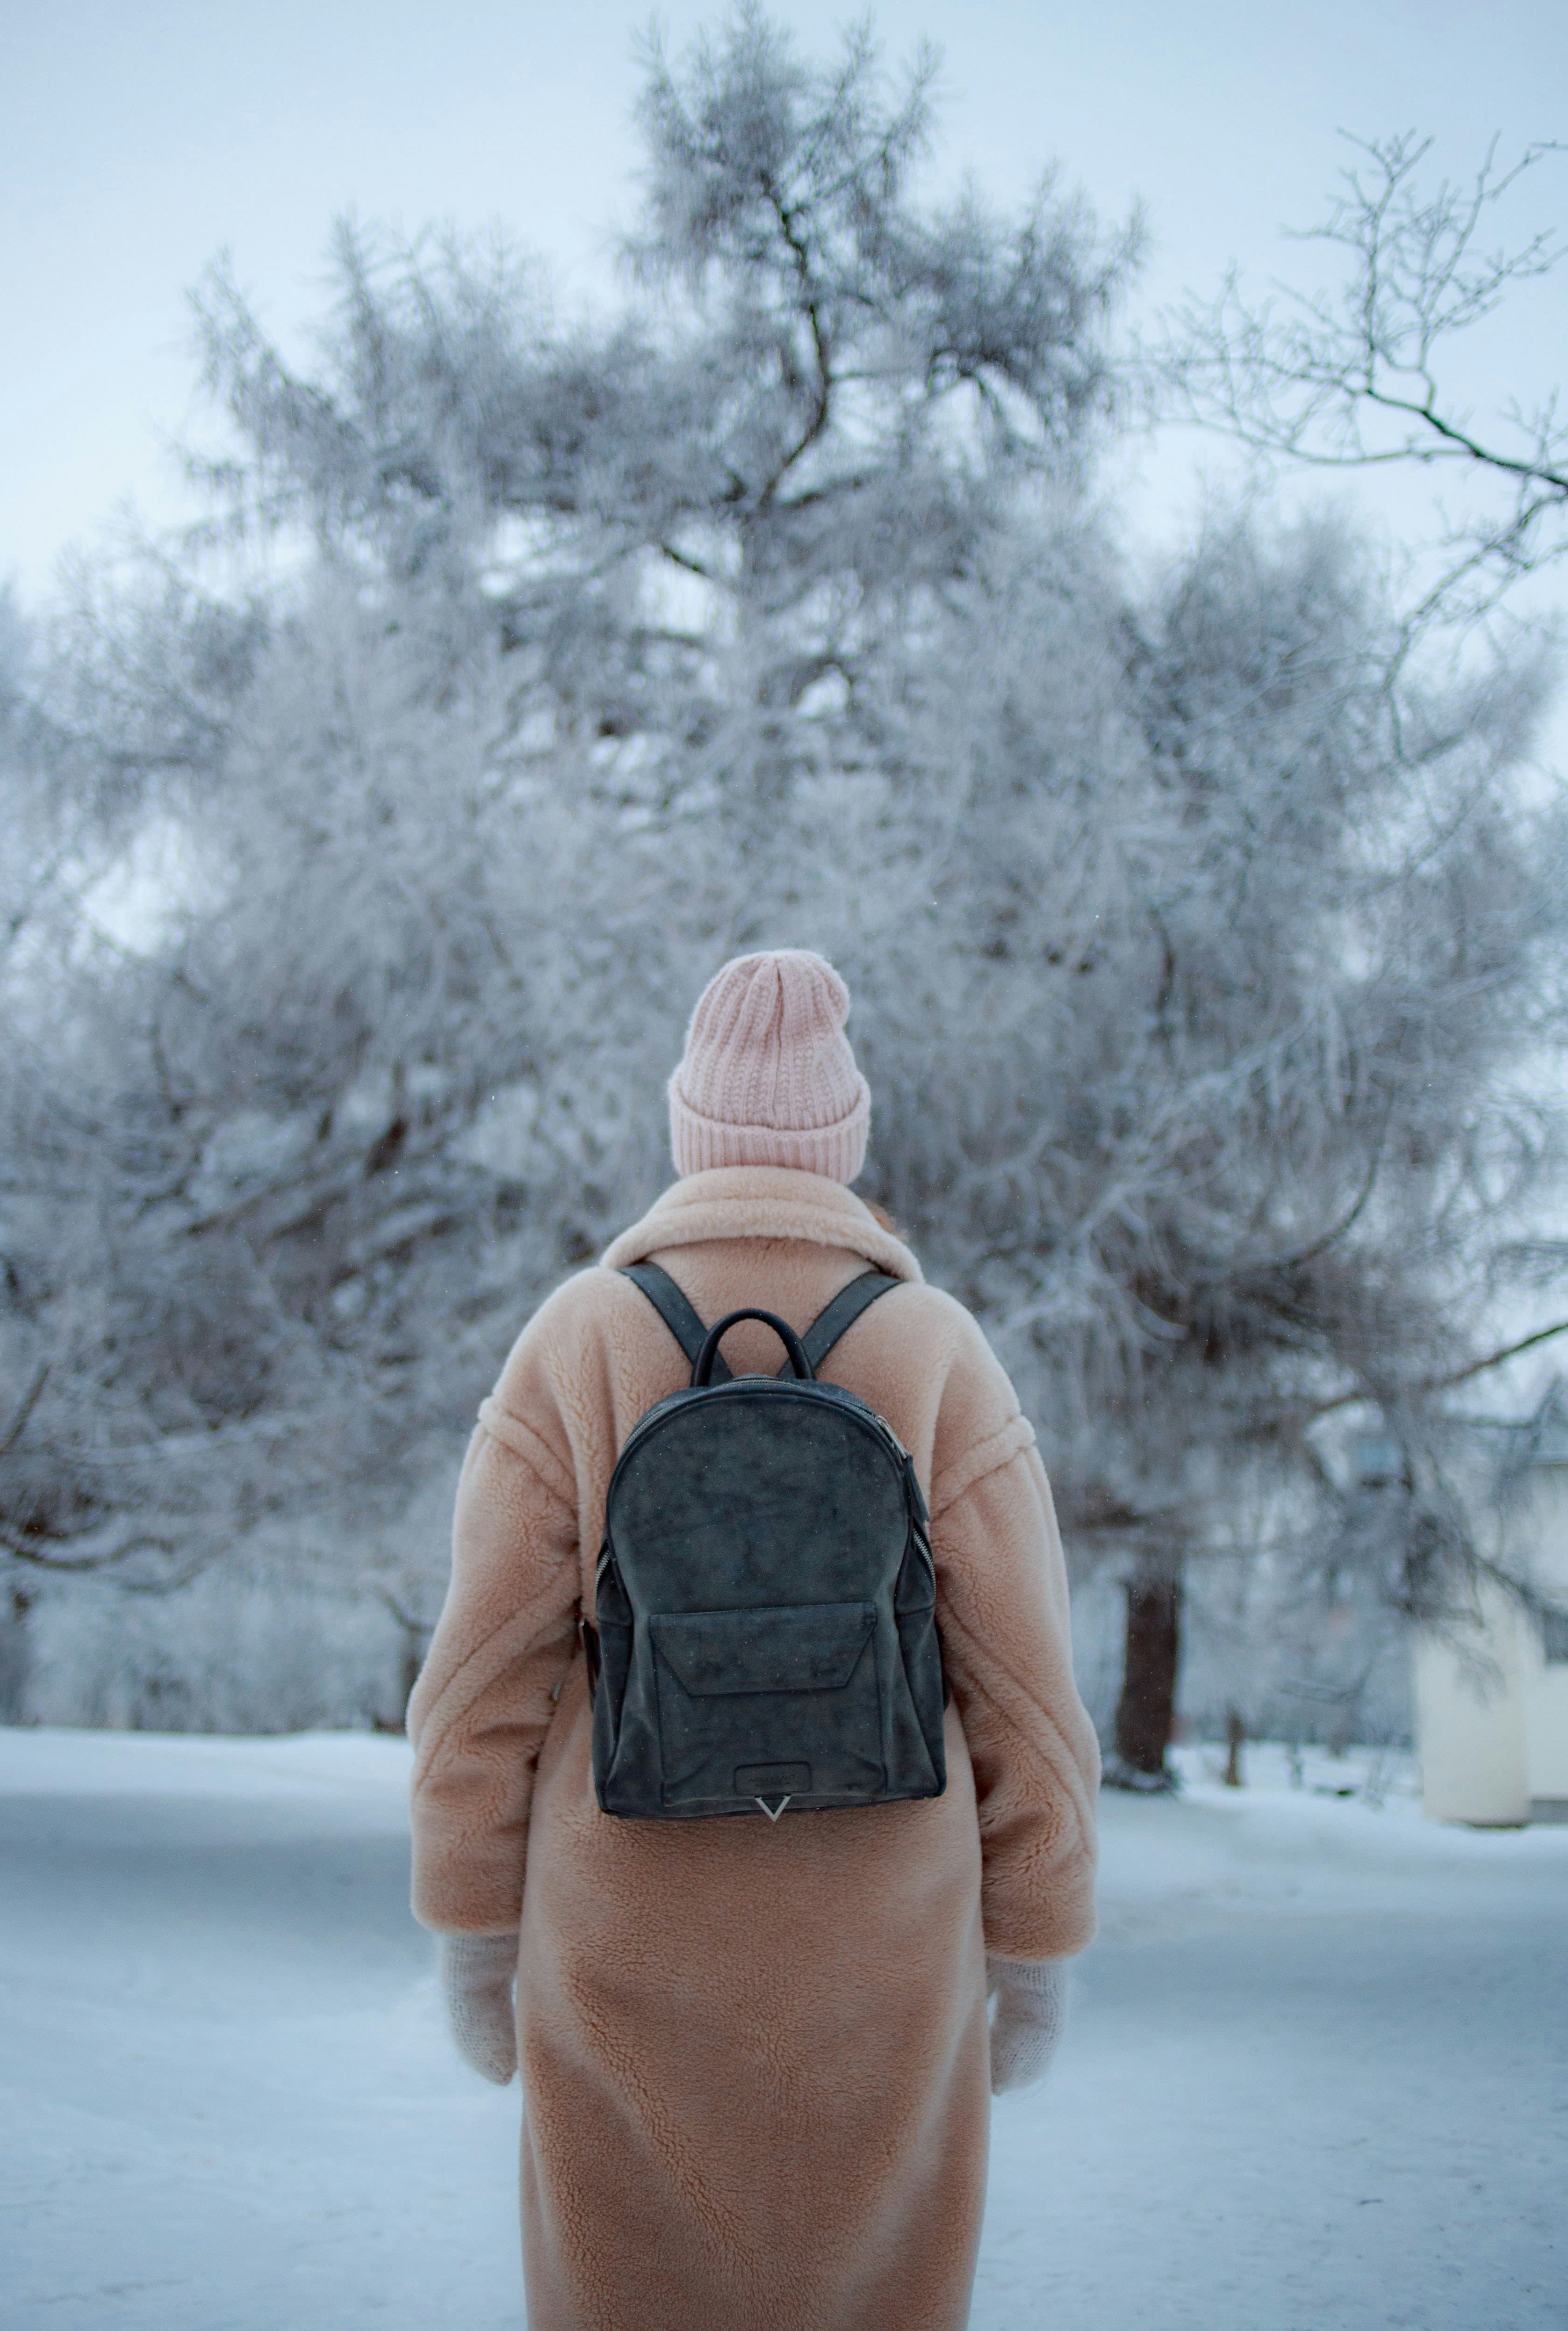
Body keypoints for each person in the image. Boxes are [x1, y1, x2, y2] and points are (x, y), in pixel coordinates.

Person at [408, 950, 1100, 2331]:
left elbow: (478, 1684)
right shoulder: (934, 1347)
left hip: (623, 1933)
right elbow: (1026, 1685)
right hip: (883, 1946)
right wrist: (1033, 1940)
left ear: (690, 1135)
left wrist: (475, 1931)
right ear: (842, 1142)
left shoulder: (582, 1337)